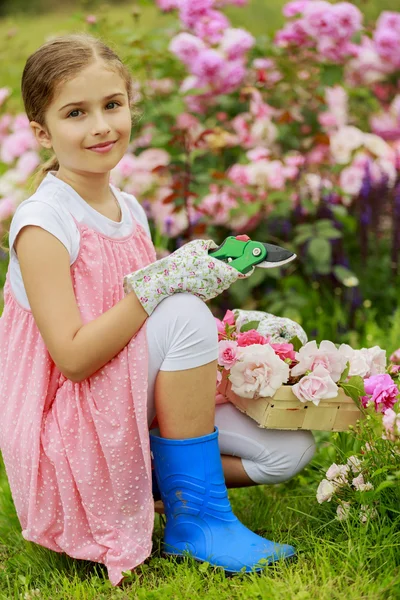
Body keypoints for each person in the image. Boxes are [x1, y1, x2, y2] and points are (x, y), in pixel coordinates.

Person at [0, 33, 316, 586]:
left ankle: (154, 484)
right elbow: (73, 360)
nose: (101, 125)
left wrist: (245, 341)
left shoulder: (128, 208)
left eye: (112, 105)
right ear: (42, 132)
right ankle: (200, 522)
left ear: (129, 106)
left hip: (125, 403)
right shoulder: (43, 223)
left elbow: (153, 336)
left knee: (287, 450)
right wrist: (158, 287)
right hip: (68, 424)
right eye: (77, 113)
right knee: (182, 307)